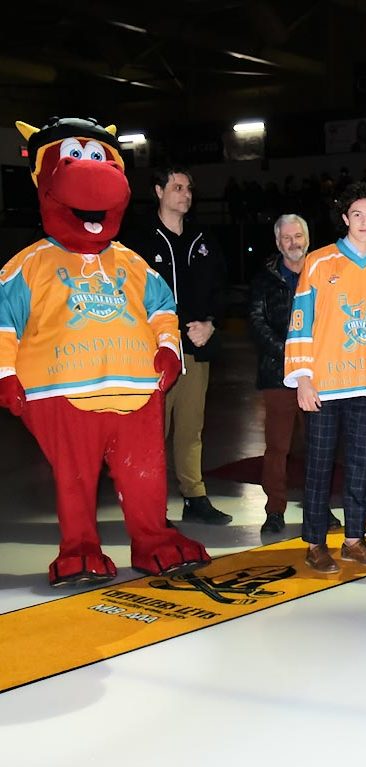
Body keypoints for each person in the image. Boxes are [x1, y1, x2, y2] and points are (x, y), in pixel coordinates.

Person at [0, 117, 209, 586]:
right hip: (65, 392)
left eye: (100, 159)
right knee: (74, 480)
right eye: (75, 158)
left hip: (136, 392)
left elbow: (163, 310)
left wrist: (168, 351)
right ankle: (79, 548)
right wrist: (5, 373)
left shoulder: (131, 263)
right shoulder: (30, 264)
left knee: (145, 475)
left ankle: (153, 538)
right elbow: (2, 322)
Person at [284, 182, 366, 573]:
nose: (365, 222)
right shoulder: (318, 261)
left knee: (362, 466)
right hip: (324, 385)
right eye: (358, 214)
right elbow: (300, 323)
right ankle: (315, 542)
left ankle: (354, 540)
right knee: (318, 465)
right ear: (346, 218)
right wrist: (302, 379)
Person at [121, 166, 232, 525]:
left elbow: (221, 288)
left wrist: (211, 324)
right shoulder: (137, 240)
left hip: (195, 352)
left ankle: (194, 496)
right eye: (177, 187)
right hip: (153, 355)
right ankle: (149, 505)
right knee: (152, 432)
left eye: (188, 188)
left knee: (190, 428)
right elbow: (123, 295)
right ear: (158, 191)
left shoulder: (203, 239)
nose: (185, 194)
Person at [250, 215, 325, 535]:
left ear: (308, 237)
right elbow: (256, 323)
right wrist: (292, 355)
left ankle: (318, 506)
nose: (292, 243)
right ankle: (275, 509)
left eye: (298, 236)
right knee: (278, 447)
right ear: (277, 242)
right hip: (277, 374)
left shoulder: (324, 271)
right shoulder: (264, 279)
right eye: (286, 239)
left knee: (320, 445)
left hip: (321, 376)